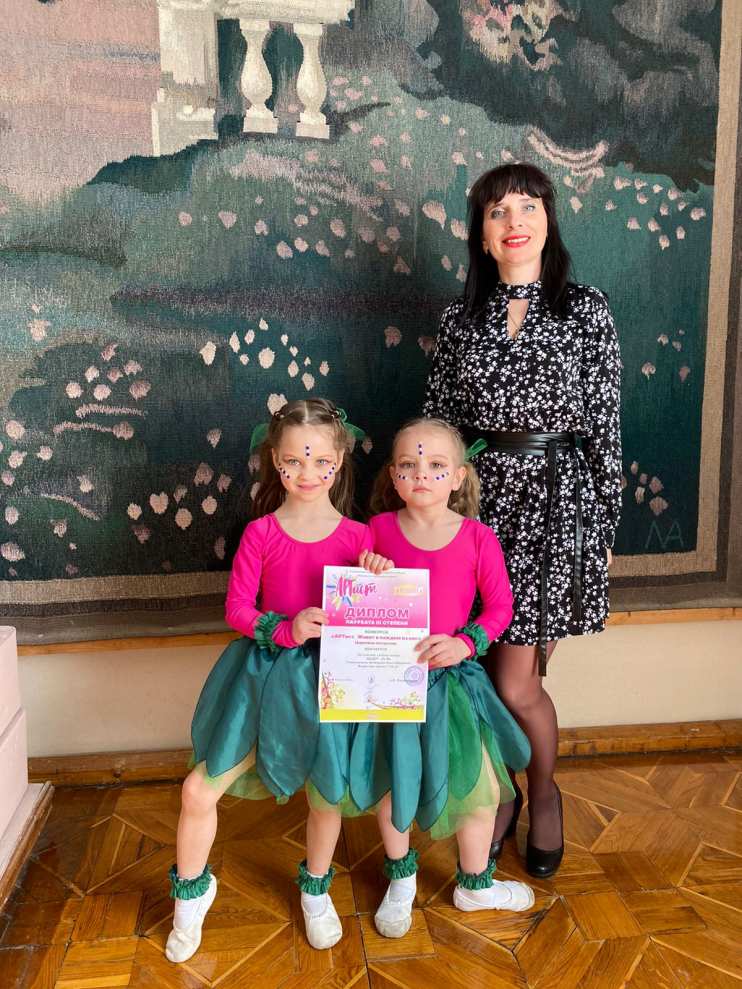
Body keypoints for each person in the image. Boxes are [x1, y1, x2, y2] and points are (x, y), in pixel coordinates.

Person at [422, 162, 622, 878]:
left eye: (529, 206)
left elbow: (605, 426)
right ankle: (501, 791)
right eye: (498, 210)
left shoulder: (585, 309)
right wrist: (427, 523)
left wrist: (602, 528)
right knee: (476, 672)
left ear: (548, 221)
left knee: (517, 683)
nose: (515, 221)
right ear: (480, 233)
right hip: (475, 513)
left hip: (556, 506)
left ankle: (542, 794)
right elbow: (439, 428)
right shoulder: (459, 320)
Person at [165, 398, 391, 961]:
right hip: (263, 676)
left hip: (329, 679)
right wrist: (285, 628)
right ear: (274, 461)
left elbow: (374, 612)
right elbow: (238, 609)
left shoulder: (359, 537)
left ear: (339, 461)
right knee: (198, 790)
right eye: (293, 461)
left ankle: (316, 890)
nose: (307, 473)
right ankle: (191, 896)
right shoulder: (261, 532)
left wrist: (378, 575)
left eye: (320, 462)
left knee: (326, 794)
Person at [365, 416, 534, 939]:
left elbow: (500, 608)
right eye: (409, 465)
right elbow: (354, 599)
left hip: (453, 684)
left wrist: (466, 642)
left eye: (437, 465)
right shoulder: (375, 531)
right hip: (391, 683)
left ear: (459, 477)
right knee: (393, 782)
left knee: (478, 785)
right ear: (393, 476)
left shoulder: (478, 537)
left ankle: (475, 883)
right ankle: (401, 879)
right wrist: (366, 569)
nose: (422, 474)